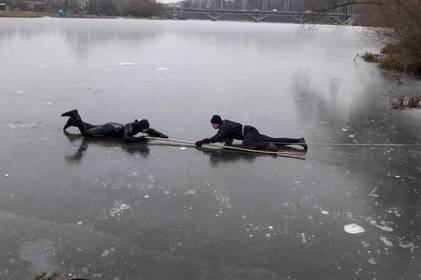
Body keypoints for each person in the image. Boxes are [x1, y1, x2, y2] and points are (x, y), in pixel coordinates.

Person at [195, 115, 307, 151]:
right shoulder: (225, 124)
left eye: (212, 124)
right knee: (274, 139)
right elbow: (227, 138)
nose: (212, 126)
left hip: (249, 133)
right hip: (250, 130)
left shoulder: (224, 127)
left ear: (217, 123)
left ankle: (268, 146)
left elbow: (216, 137)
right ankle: (299, 141)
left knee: (247, 144)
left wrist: (203, 142)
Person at [61, 109, 168, 142]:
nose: (146, 131)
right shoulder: (130, 127)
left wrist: (161, 135)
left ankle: (72, 122)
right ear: (140, 127)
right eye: (144, 130)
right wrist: (141, 138)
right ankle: (76, 116)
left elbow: (151, 130)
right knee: (86, 133)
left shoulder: (139, 126)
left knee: (91, 126)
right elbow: (126, 139)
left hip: (112, 126)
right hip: (109, 129)